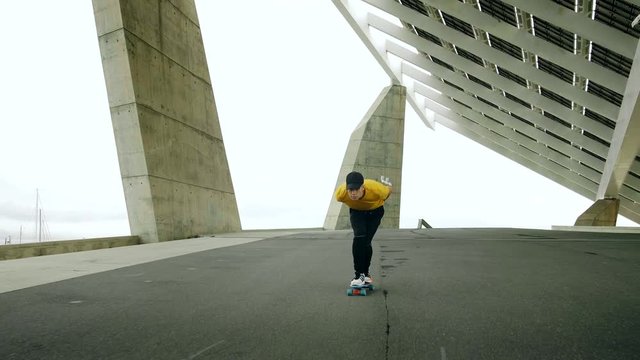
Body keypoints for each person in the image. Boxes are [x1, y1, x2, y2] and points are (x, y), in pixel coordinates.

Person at [334, 171, 392, 287]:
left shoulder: (375, 188)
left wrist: (387, 185)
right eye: (350, 190)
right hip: (357, 212)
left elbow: (388, 191)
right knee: (359, 237)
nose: (353, 193)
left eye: (356, 189)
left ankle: (366, 274)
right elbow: (342, 196)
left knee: (366, 242)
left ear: (362, 187)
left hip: (375, 212)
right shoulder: (340, 194)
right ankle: (359, 275)